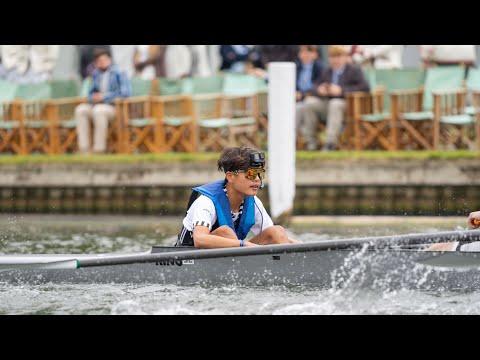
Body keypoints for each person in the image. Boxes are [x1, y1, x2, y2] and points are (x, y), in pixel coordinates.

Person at [176, 147, 299, 249]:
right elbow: (200, 239)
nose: (257, 179)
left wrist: (307, 248)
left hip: (230, 256)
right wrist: (243, 244)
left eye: (260, 174)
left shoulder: (254, 203)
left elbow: (276, 238)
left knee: (277, 231)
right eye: (251, 174)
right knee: (225, 231)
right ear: (230, 176)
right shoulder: (206, 202)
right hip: (189, 258)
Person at [296, 45, 370, 151]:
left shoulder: (354, 70)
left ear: (345, 57)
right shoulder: (327, 71)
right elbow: (313, 87)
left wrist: (341, 90)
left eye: (338, 57)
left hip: (349, 107)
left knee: (336, 103)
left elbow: (365, 88)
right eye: (332, 57)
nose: (335, 60)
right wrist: (319, 90)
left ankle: (330, 143)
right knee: (309, 103)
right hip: (328, 105)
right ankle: (311, 141)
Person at [74, 49, 131, 154]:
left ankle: (99, 149)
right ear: (96, 63)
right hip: (96, 105)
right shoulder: (95, 74)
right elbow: (89, 94)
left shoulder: (119, 73)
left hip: (114, 107)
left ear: (110, 60)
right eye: (99, 61)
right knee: (80, 110)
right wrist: (93, 97)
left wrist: (104, 97)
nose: (102, 62)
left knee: (98, 111)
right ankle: (84, 149)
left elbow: (125, 93)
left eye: (104, 59)